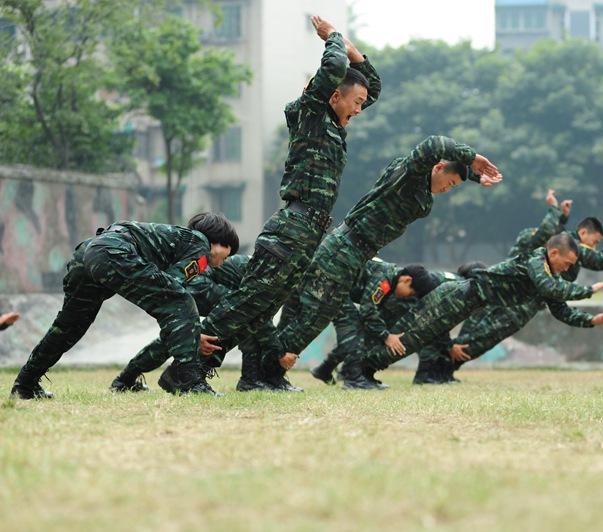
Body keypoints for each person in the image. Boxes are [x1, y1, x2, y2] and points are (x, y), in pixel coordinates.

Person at [159, 15, 381, 393]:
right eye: (355, 103)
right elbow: (333, 68)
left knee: (264, 306)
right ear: (332, 95)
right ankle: (184, 370)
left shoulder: (334, 122)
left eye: (361, 104)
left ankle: (257, 377)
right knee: (250, 300)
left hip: (309, 232)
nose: (360, 109)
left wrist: (355, 53)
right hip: (292, 227)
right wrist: (334, 39)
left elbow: (369, 86)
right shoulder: (310, 113)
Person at [255, 135, 502, 391]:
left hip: (356, 253)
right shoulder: (408, 174)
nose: (446, 189)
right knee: (313, 315)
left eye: (453, 187)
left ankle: (267, 374)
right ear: (438, 167)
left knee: (310, 315)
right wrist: (471, 157)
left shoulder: (422, 190)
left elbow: (446, 167)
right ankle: (265, 373)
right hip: (344, 248)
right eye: (449, 183)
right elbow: (434, 144)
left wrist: (473, 175)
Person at [340, 233, 603, 389]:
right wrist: (588, 290)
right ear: (554, 253)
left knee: (415, 338)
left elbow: (560, 308)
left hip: (465, 303)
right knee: (410, 337)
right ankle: (358, 372)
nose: (568, 269)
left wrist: (591, 321)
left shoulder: (547, 277)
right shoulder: (535, 261)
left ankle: (364, 371)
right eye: (568, 263)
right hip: (458, 296)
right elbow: (552, 287)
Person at [10, 213, 238, 399]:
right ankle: (187, 380)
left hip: (89, 252)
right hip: (115, 251)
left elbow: (163, 293)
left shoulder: (177, 239)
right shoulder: (200, 245)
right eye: (228, 255)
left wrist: (188, 333)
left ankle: (25, 384)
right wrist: (191, 334)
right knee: (181, 300)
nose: (223, 262)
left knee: (69, 326)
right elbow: (173, 294)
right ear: (220, 242)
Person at [109, 253, 272, 393]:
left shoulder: (267, 268)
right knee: (240, 316)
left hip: (196, 284)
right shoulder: (264, 271)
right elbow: (253, 313)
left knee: (174, 338)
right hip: (198, 284)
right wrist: (279, 351)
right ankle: (247, 379)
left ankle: (125, 379)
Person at [308, 258, 436, 386]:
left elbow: (372, 315)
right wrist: (386, 336)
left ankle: (325, 369)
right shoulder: (384, 280)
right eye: (411, 293)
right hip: (333, 288)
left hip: (339, 290)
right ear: (407, 280)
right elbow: (367, 310)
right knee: (353, 330)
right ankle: (353, 379)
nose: (408, 296)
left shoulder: (391, 283)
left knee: (357, 333)